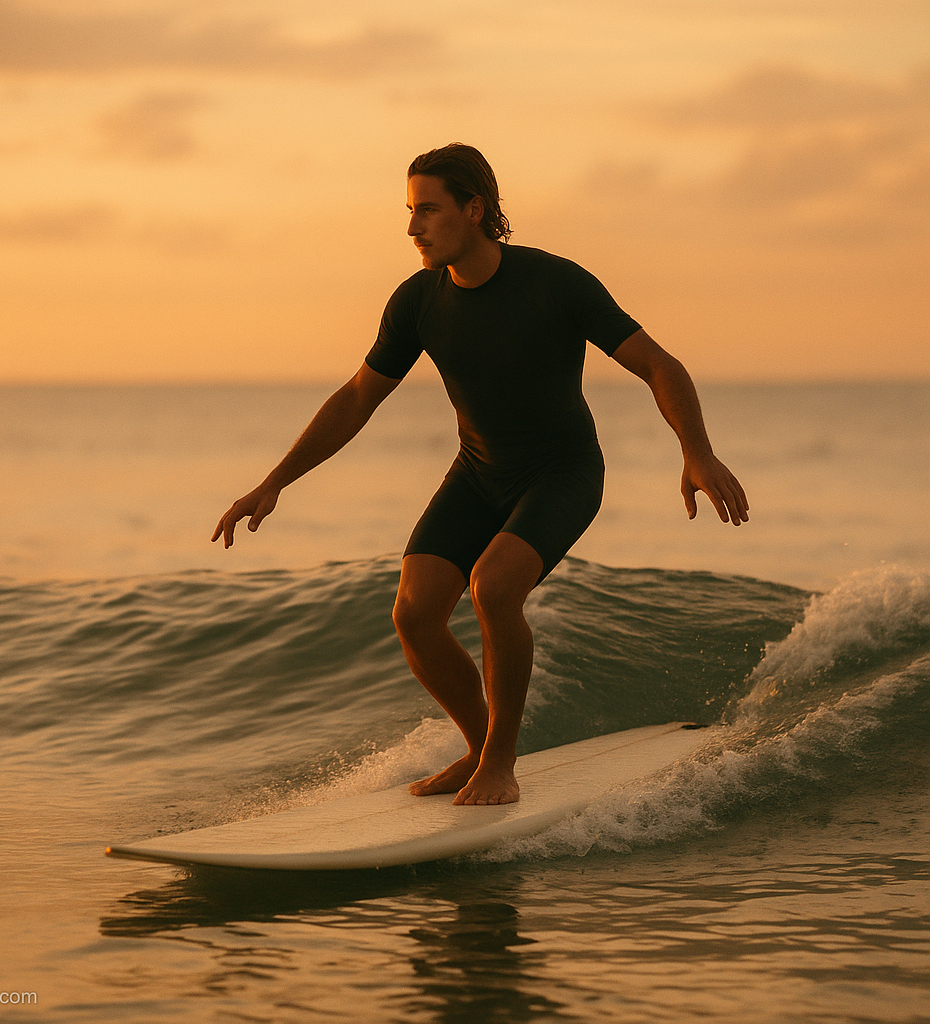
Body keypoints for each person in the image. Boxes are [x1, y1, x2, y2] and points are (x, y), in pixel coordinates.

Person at [212, 143, 749, 807]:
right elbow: (357, 397)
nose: (413, 228)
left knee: (493, 587)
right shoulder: (417, 302)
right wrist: (275, 481)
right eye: (410, 212)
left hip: (562, 471)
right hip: (478, 472)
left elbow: (659, 364)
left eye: (427, 211)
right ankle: (476, 750)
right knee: (414, 610)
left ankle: (501, 764)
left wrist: (695, 450)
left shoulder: (555, 284)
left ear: (474, 210)